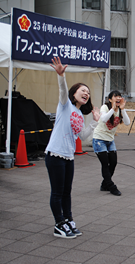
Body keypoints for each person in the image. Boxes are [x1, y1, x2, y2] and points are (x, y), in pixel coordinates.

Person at [45, 57, 100, 238]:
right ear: (74, 93)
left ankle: (68, 220)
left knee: (67, 191)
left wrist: (94, 122)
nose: (86, 93)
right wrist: (61, 76)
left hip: (68, 156)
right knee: (58, 191)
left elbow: (83, 136)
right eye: (83, 90)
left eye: (88, 92)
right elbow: (62, 90)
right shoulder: (65, 106)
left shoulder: (78, 114)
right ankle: (59, 224)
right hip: (55, 154)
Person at [93, 91, 130, 196]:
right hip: (99, 139)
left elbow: (127, 122)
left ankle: (104, 184)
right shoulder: (105, 107)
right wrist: (112, 109)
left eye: (120, 96)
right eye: (115, 96)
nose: (118, 98)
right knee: (105, 163)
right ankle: (111, 186)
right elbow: (104, 119)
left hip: (110, 140)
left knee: (113, 162)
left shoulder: (120, 109)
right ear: (110, 99)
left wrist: (122, 109)